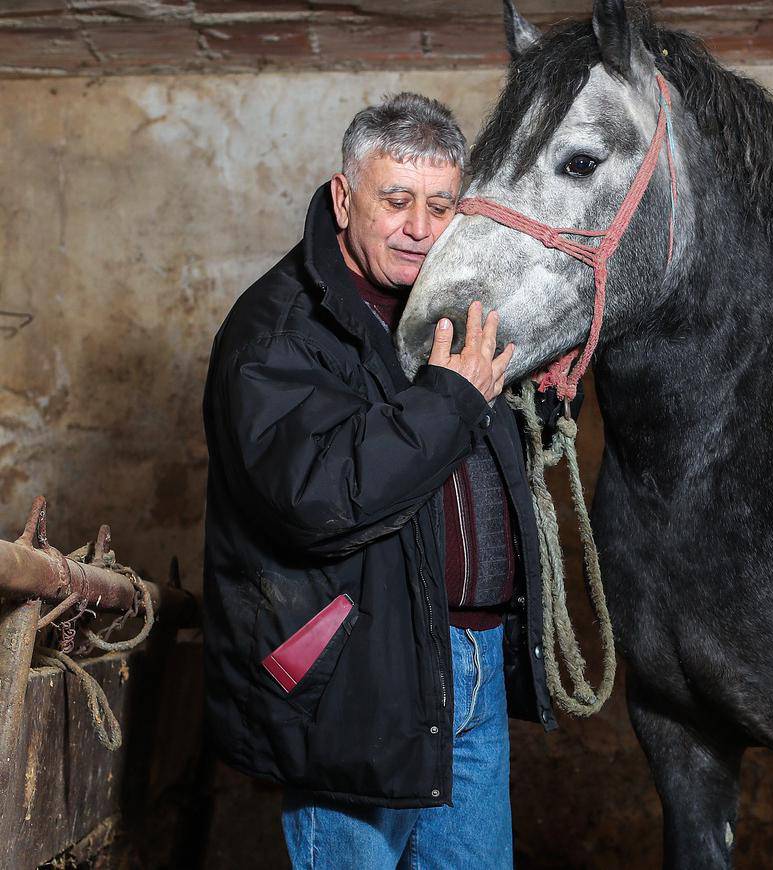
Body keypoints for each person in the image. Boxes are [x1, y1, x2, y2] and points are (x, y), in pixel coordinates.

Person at [201, 92, 565, 868]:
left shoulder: (456, 310)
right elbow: (317, 496)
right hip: (360, 677)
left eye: (441, 204)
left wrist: (538, 394)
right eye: (395, 200)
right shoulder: (278, 329)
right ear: (344, 197)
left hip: (472, 668)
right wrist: (452, 398)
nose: (421, 228)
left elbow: (471, 469)